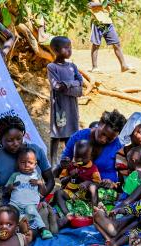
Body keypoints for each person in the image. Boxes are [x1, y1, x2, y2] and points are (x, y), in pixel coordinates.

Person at [0, 116, 54, 197]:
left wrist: (39, 197)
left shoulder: (35, 150)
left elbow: (50, 181)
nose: (16, 143)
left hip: (37, 203)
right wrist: (5, 191)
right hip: (10, 205)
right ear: (0, 140)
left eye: (19, 138)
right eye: (10, 140)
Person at [97, 174, 141, 246]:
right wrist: (118, 210)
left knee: (136, 230)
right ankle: (115, 243)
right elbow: (130, 209)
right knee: (129, 232)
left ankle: (118, 243)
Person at [61, 109, 126, 183]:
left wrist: (112, 184)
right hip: (79, 184)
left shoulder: (117, 147)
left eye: (109, 139)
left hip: (103, 189)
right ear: (100, 123)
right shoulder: (79, 137)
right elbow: (65, 160)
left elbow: (122, 177)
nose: (103, 140)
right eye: (103, 134)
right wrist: (65, 163)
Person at [47, 36, 83, 166]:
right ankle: (52, 162)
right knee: (56, 133)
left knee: (71, 133)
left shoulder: (72, 66)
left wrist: (67, 84)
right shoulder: (52, 67)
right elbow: (56, 86)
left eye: (70, 47)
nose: (69, 50)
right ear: (56, 50)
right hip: (60, 106)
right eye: (66, 48)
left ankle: (69, 162)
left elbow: (80, 82)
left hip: (72, 106)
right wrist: (74, 88)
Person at [5, 147, 53, 240]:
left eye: (30, 163)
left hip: (30, 205)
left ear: (35, 164)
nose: (26, 165)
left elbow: (43, 192)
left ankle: (43, 229)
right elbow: (7, 189)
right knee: (10, 212)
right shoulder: (15, 175)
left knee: (32, 212)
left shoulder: (37, 176)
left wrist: (40, 183)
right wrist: (10, 187)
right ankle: (19, 226)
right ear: (18, 164)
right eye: (23, 162)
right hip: (15, 203)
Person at [54, 140, 101, 217]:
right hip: (70, 193)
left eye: (83, 157)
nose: (79, 160)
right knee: (58, 193)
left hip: (85, 195)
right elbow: (62, 181)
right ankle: (67, 214)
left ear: (90, 156)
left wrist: (87, 183)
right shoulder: (69, 166)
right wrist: (70, 177)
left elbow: (98, 184)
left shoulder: (93, 169)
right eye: (77, 157)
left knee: (93, 188)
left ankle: (94, 212)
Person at [88, 1, 134, 73]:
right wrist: (107, 3)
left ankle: (123, 66)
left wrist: (112, 2)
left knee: (116, 44)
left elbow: (115, 3)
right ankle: (94, 67)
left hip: (108, 21)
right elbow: (90, 5)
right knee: (96, 44)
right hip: (97, 21)